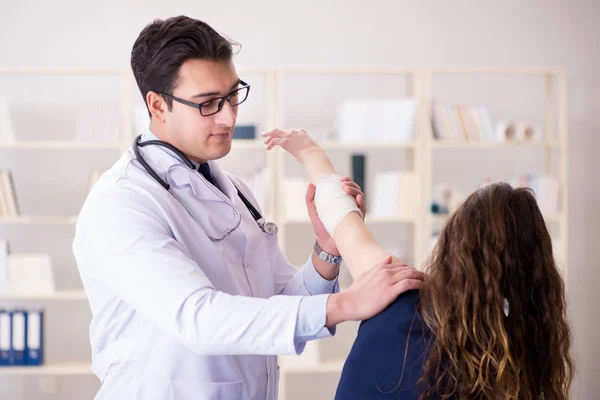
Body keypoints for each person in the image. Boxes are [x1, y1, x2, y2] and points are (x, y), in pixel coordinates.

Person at [72, 16, 424, 400]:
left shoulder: (233, 189)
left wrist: (327, 251)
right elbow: (199, 319)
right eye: (208, 103)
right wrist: (347, 304)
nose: (229, 116)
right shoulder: (122, 202)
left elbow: (277, 304)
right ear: (157, 105)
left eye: (232, 95)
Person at [262, 129, 575, 399]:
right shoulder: (517, 358)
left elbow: (338, 210)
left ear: (453, 245)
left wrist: (310, 152)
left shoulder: (394, 290)